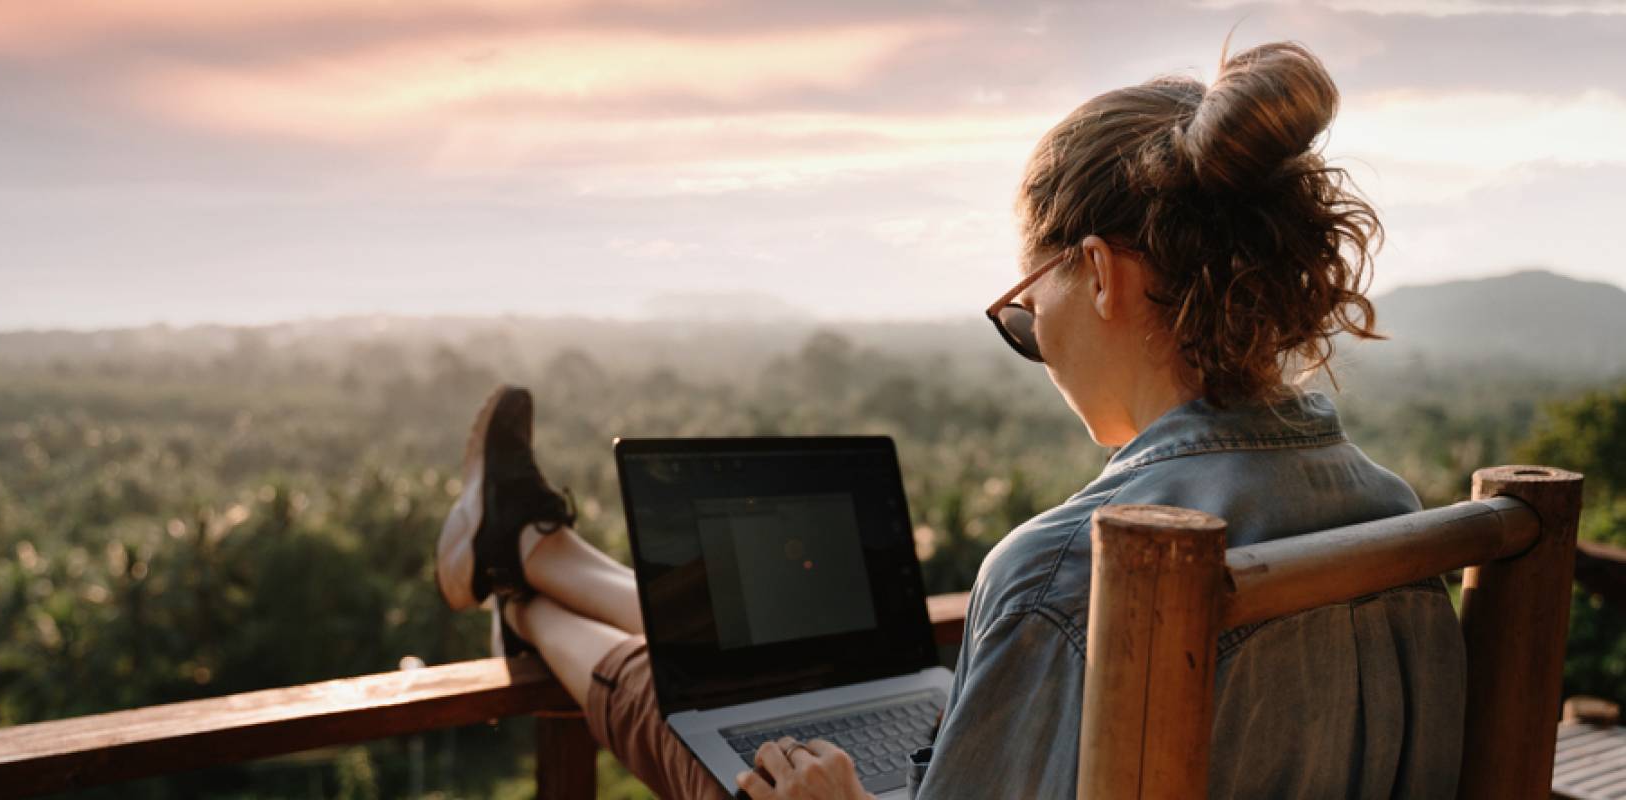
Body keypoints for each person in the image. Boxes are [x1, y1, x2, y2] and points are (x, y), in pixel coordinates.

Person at [433, 40, 1463, 799]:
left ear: (1098, 273)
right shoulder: (1396, 520)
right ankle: (536, 552)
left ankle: (521, 584)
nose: (1033, 337)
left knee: (696, 719)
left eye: (1026, 307)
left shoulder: (1073, 571)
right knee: (733, 681)